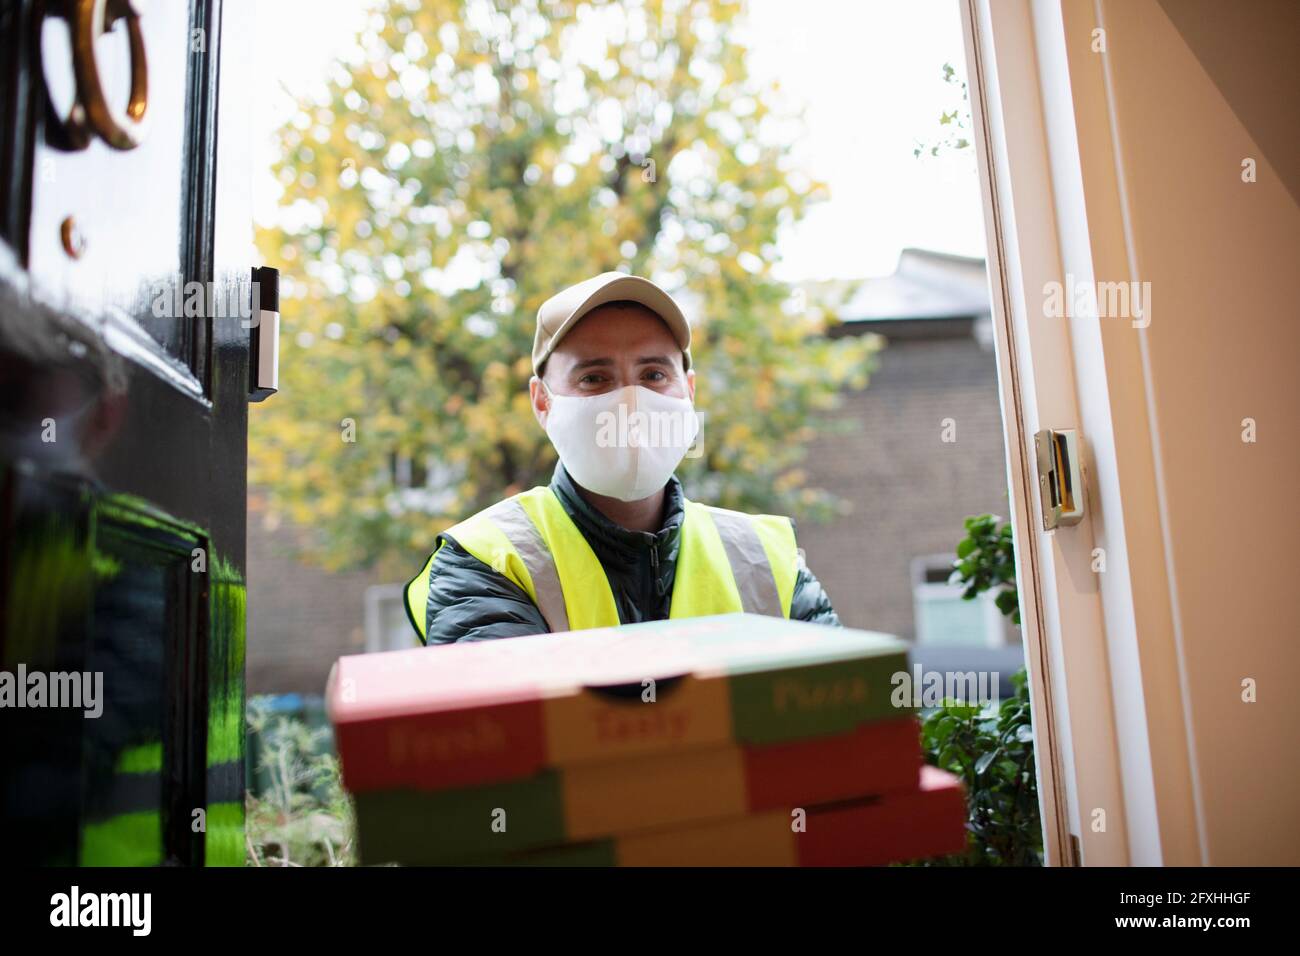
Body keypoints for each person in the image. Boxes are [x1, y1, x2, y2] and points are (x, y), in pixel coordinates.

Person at [405, 271, 840, 644]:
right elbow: (511, 727)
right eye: (595, 378)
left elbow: (845, 719)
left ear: (689, 391)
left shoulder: (767, 559)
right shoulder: (486, 559)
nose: (631, 402)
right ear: (542, 403)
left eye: (654, 374)